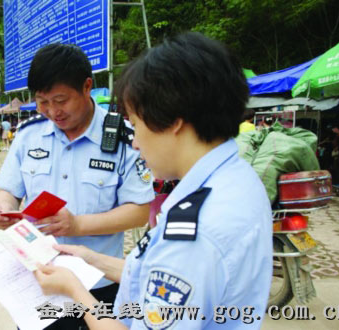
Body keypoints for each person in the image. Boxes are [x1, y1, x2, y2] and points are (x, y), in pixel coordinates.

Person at [34, 32, 273, 329]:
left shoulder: (194, 234)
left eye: (135, 125)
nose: (135, 143)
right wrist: (91, 260)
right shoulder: (237, 178)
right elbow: (153, 275)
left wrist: (75, 291)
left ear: (173, 120)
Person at [0, 43, 154, 329]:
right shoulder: (28, 135)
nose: (53, 111)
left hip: (97, 285)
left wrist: (76, 225)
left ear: (87, 86)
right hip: (40, 280)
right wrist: (2, 207)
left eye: (61, 100)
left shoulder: (124, 139)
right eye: (43, 101)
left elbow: (139, 212)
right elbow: (10, 191)